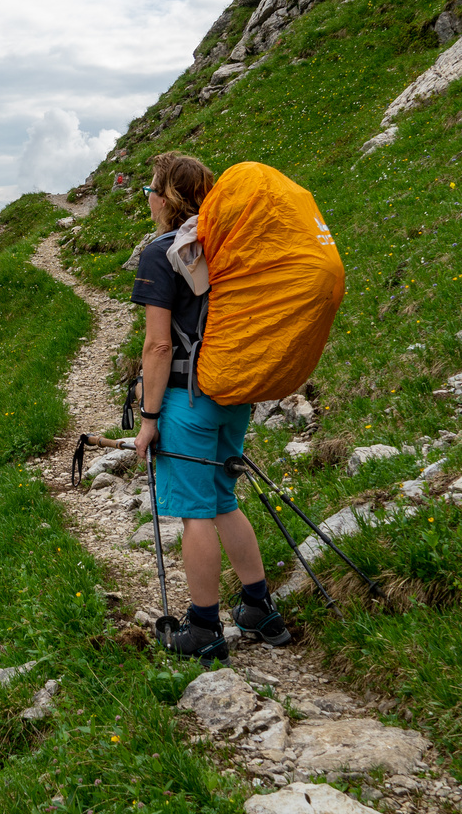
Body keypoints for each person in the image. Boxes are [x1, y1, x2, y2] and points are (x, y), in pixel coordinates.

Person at [130, 152, 289, 661]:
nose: (149, 199)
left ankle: (202, 629)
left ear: (167, 198)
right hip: (233, 392)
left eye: (151, 190)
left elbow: (158, 346)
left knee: (194, 512)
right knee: (222, 499)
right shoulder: (226, 244)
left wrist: (149, 419)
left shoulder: (161, 253)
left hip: (186, 399)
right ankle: (258, 608)